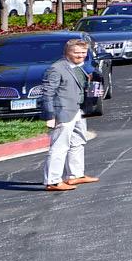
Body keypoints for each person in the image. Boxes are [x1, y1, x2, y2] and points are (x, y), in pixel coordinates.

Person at [39, 37, 100, 193]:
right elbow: (47, 93)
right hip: (63, 112)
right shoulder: (56, 69)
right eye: (76, 53)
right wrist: (50, 115)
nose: (81, 55)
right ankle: (53, 181)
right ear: (67, 52)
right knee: (59, 146)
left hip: (77, 110)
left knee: (78, 142)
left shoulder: (80, 67)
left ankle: (75, 175)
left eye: (83, 52)